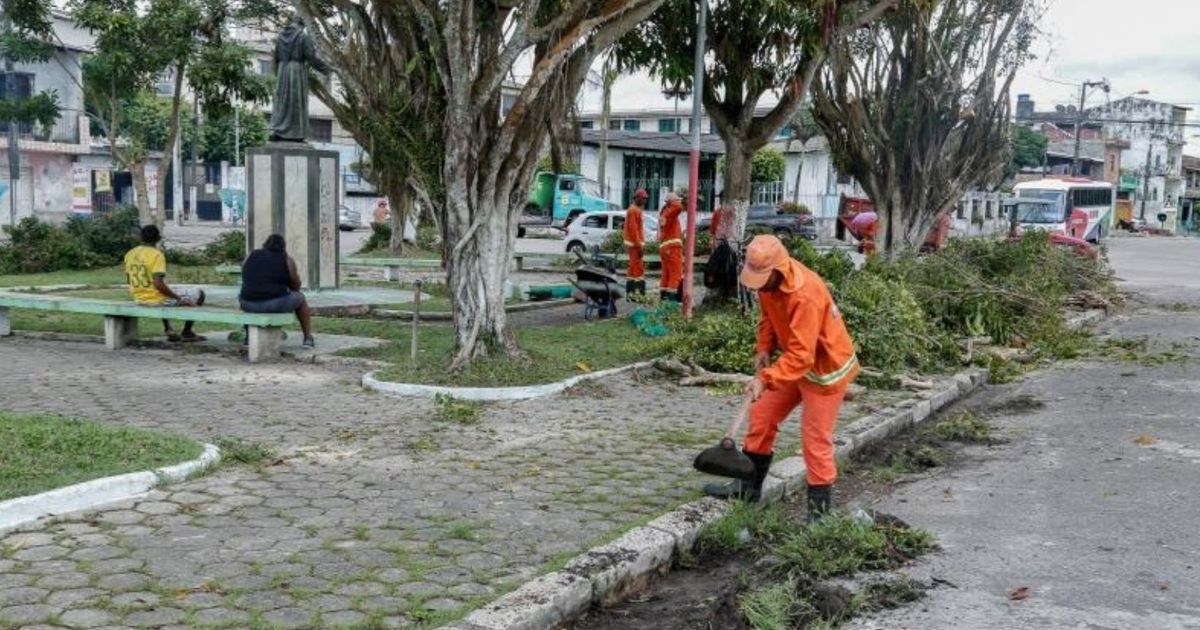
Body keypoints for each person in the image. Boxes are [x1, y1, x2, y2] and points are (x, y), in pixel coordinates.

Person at [705, 234, 859, 521]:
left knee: (815, 440)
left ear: (778, 270)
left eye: (762, 277)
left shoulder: (805, 295)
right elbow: (768, 317)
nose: (758, 284)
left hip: (825, 369)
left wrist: (766, 379)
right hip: (794, 362)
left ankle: (819, 517)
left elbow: (804, 357)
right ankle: (748, 489)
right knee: (761, 415)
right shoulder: (768, 283)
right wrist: (764, 347)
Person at [124, 225, 206, 342]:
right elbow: (158, 285)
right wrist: (179, 299)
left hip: (138, 298)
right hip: (156, 300)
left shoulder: (130, 253)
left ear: (141, 237)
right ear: (158, 238)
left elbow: (129, 280)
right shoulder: (156, 255)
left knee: (165, 291)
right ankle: (187, 332)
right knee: (199, 293)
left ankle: (169, 329)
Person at [239, 234, 315, 348]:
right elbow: (296, 286)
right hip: (274, 304)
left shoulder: (251, 255)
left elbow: (245, 274)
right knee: (301, 298)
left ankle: (249, 337)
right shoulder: (287, 259)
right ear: (283, 247)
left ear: (265, 245)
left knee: (249, 294)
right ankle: (308, 338)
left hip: (247, 303)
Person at [658, 192, 684, 303]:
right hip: (672, 247)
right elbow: (679, 206)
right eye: (676, 200)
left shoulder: (664, 212)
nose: (679, 201)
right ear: (671, 202)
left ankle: (664, 299)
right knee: (675, 274)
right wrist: (675, 200)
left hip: (665, 247)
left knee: (666, 274)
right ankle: (671, 303)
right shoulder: (670, 211)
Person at [623, 189, 649, 298]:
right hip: (635, 245)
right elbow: (634, 230)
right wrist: (639, 246)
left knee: (633, 269)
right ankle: (639, 294)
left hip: (634, 245)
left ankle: (631, 294)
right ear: (637, 198)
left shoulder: (634, 209)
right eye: (643, 198)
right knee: (637, 269)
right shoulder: (634, 210)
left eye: (645, 199)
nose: (645, 200)